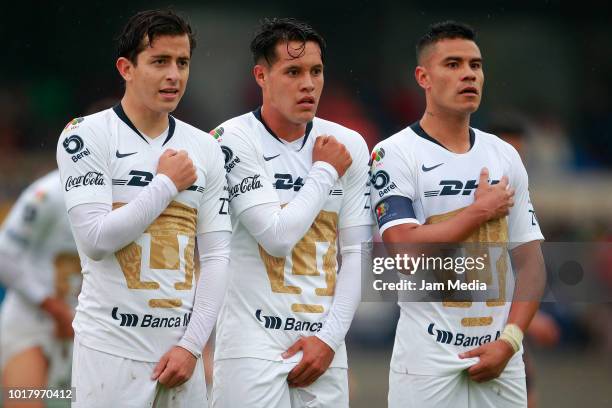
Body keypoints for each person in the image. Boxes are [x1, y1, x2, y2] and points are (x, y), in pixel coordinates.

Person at [56, 9, 231, 407]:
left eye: (182, 63)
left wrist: (191, 345)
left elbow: (218, 256)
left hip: (180, 355)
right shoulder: (85, 135)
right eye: (159, 62)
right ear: (126, 68)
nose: (174, 75)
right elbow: (96, 240)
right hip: (110, 352)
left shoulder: (205, 147)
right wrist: (166, 184)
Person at [370, 21, 545, 407]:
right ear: (423, 77)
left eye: (475, 65)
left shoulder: (505, 155)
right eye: (452, 64)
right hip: (427, 361)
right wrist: (479, 211)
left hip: (500, 359)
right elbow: (405, 254)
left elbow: (531, 265)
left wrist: (511, 341)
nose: (469, 73)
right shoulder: (394, 153)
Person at [210, 18, 373, 408]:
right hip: (252, 345)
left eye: (316, 71)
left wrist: (329, 340)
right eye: (293, 71)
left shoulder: (350, 143)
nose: (308, 84)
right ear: (261, 76)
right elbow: (277, 237)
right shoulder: (230, 139)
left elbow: (356, 253)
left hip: (323, 346)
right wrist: (324, 171)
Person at [0, 170, 79, 408]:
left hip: (90, 329)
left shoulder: (128, 192)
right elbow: (4, 255)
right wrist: (55, 309)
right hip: (32, 322)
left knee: (76, 399)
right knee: (23, 400)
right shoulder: (48, 194)